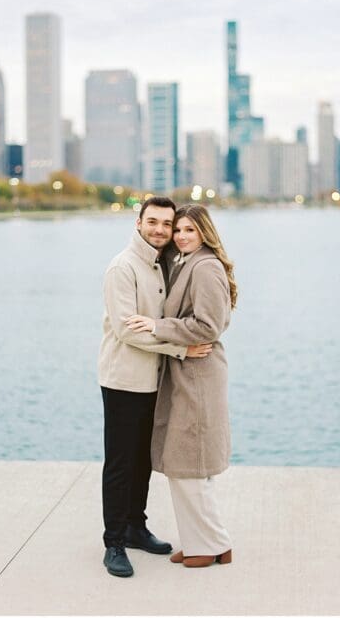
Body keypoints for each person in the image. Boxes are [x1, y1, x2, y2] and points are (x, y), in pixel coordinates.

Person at [98, 196, 214, 578]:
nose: (161, 230)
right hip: (125, 379)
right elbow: (125, 330)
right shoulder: (123, 267)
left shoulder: (164, 263)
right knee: (120, 462)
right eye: (154, 222)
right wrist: (182, 347)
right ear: (138, 223)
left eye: (168, 224)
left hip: (157, 380)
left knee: (144, 458)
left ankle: (135, 526)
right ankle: (114, 542)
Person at [126, 203, 237, 568]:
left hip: (199, 376)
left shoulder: (205, 267)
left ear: (204, 232)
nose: (181, 236)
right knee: (188, 466)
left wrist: (158, 327)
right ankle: (208, 543)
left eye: (190, 230)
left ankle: (208, 545)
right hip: (188, 373)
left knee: (190, 465)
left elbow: (209, 326)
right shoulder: (186, 263)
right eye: (179, 230)